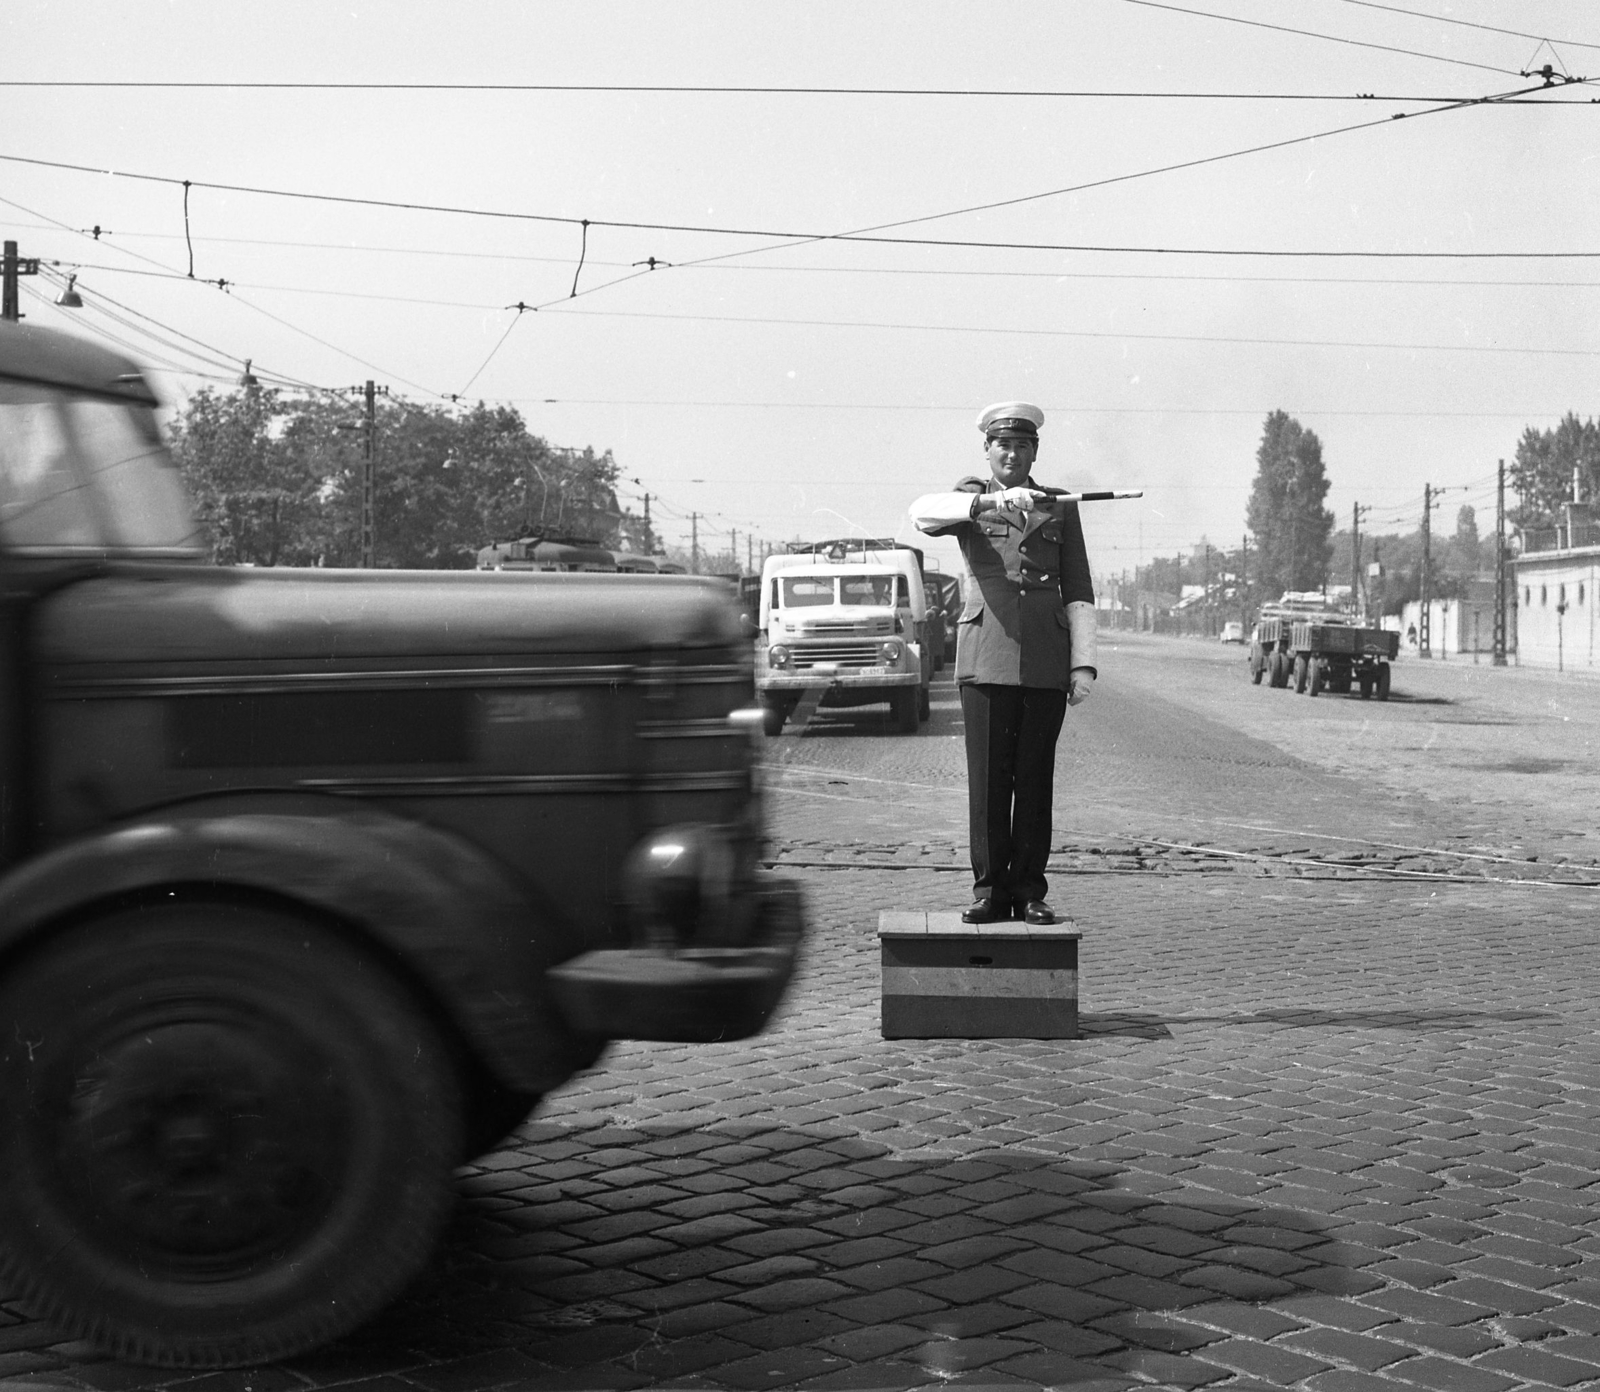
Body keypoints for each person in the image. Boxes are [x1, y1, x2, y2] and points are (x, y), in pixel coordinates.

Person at [909, 402, 1097, 925]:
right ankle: (990, 890)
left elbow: (1078, 587)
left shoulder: (1059, 505)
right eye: (1002, 446)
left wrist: (1083, 665)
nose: (1011, 454)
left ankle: (1030, 891)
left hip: (1044, 659)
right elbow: (922, 514)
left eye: (1022, 446)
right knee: (990, 782)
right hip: (985, 657)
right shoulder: (970, 498)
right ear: (987, 452)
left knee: (1035, 780)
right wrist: (986, 505)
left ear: (1034, 452)